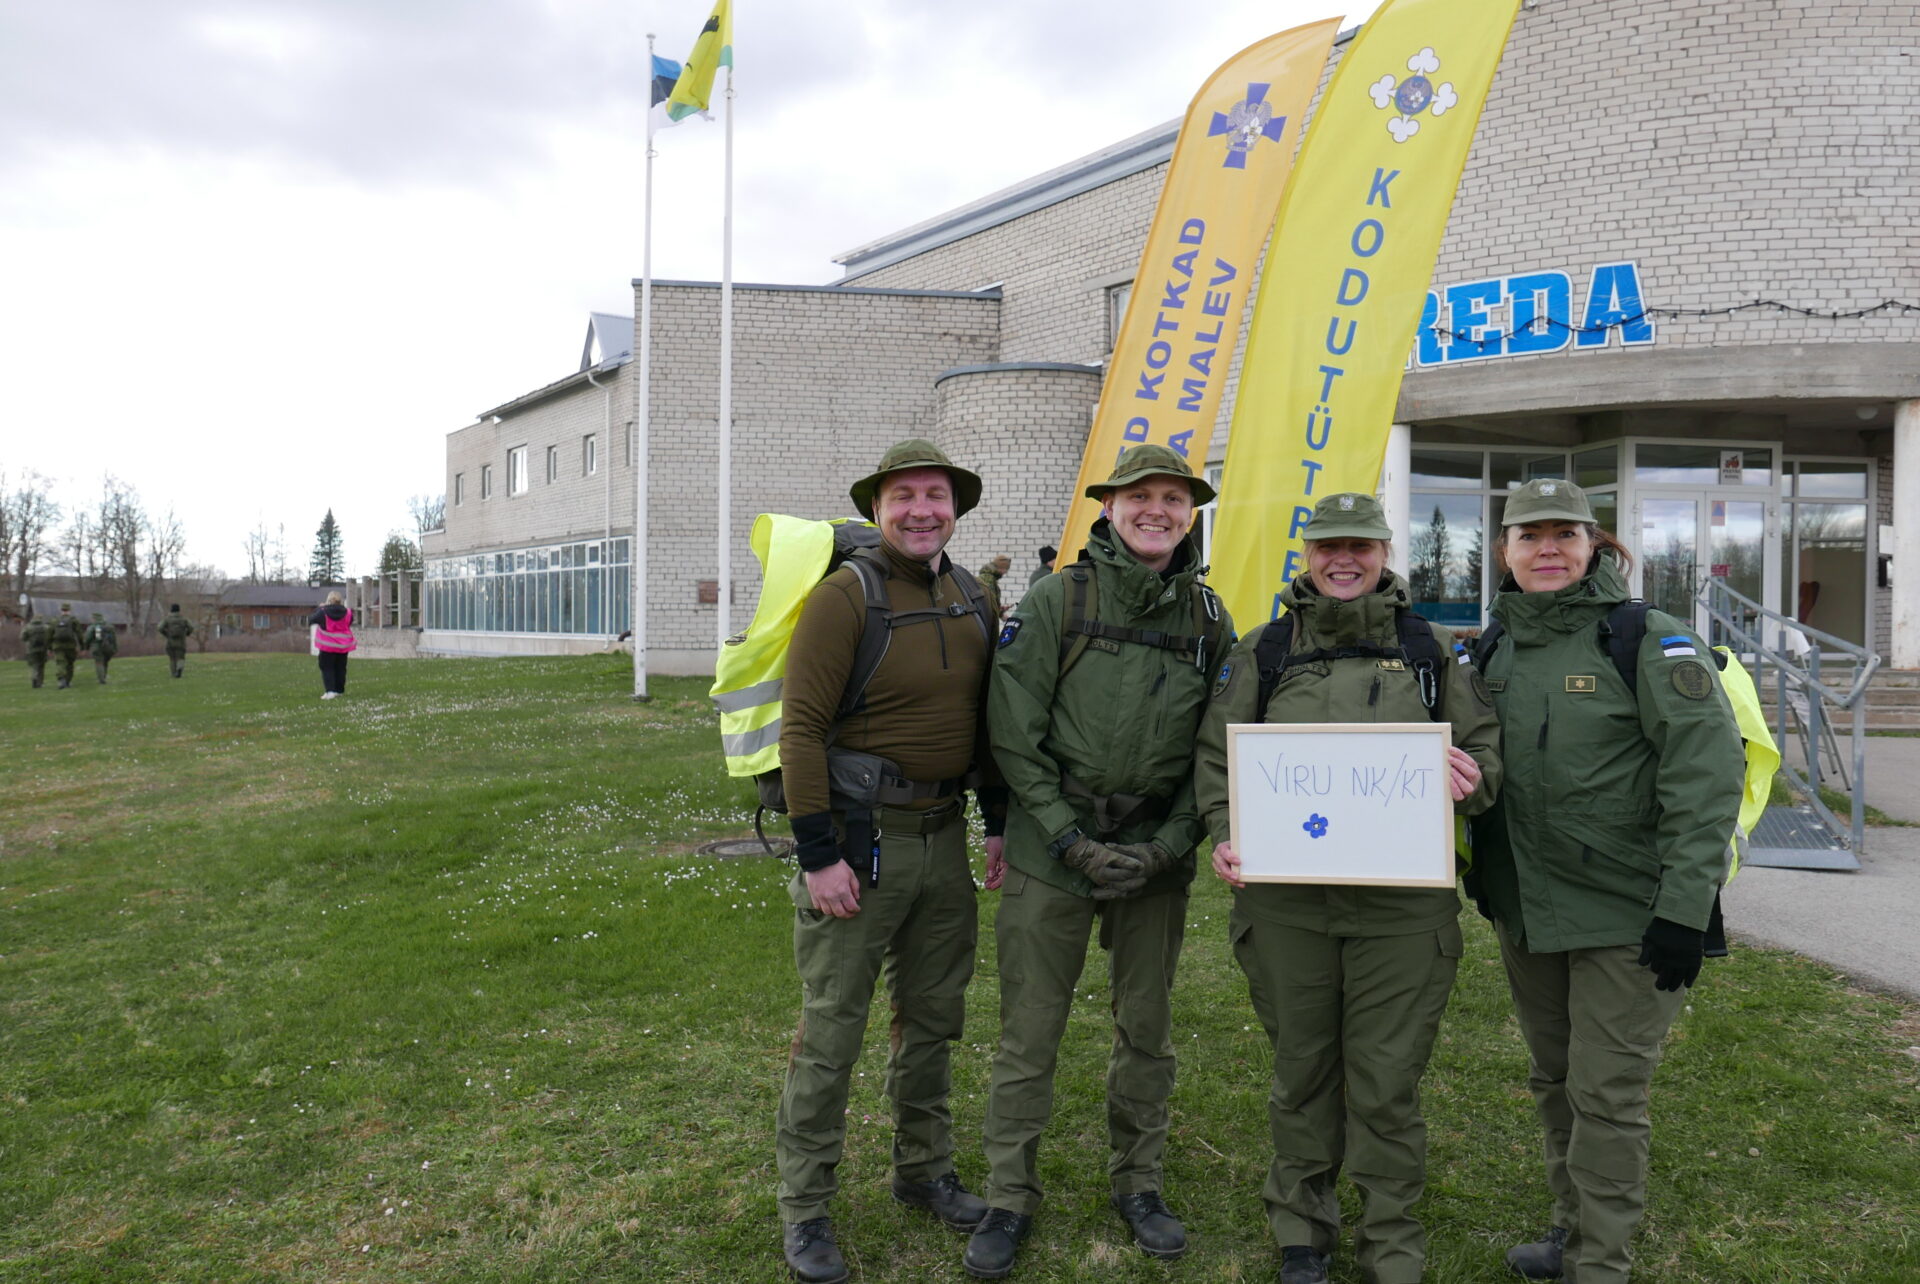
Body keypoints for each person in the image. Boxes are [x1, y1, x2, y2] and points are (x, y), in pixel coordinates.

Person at [1193, 492, 1503, 1284]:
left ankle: (1391, 1242)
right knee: (1302, 1071)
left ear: (1384, 552)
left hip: (1403, 911)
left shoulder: (1433, 651)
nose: (1343, 560)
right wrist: (1226, 829)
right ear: (1308, 554)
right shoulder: (1264, 650)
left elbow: (1485, 756)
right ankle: (1302, 1232)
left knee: (1386, 1082)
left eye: (1359, 546)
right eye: (1328, 546)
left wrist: (1472, 779)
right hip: (1286, 907)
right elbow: (1217, 761)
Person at [966, 443, 1233, 1279]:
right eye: (1140, 496)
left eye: (1174, 499)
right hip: (1053, 853)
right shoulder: (1058, 599)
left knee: (1146, 1030)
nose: (1158, 510)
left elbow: (1217, 751)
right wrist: (1066, 837)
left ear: (1190, 515)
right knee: (1030, 1031)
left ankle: (1139, 1184)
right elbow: (1012, 730)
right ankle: (1009, 1196)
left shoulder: (1210, 619)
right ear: (1110, 507)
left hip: (1155, 861)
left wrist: (1170, 844)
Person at [1468, 478, 1741, 1284]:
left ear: (1595, 544)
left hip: (1629, 915)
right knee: (1555, 1079)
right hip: (1528, 911)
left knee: (1608, 1094)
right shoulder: (1495, 644)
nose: (1547, 549)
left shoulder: (1647, 638)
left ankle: (1601, 1264)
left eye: (1565, 533)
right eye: (1530, 536)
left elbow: (1707, 777)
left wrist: (1685, 911)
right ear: (1506, 551)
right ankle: (1571, 1228)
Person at [775, 439, 1006, 1284]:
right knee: (832, 1032)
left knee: (933, 1020)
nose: (920, 510)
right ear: (878, 509)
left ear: (956, 507)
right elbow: (801, 730)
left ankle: (924, 1171)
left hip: (945, 838)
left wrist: (996, 825)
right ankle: (806, 1208)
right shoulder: (846, 595)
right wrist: (818, 856)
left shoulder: (974, 595)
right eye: (903, 496)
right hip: (858, 843)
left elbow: (989, 723)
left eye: (935, 495)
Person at [309, 591, 356, 698]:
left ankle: (330, 691)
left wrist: (320, 608)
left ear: (328, 600)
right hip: (342, 646)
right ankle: (339, 690)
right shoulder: (348, 612)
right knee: (341, 668)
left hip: (327, 646)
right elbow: (349, 622)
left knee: (327, 667)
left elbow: (311, 619)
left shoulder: (323, 612)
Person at [46, 603, 85, 689]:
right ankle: (68, 681)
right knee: (70, 663)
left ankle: (61, 679)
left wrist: (49, 648)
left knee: (60, 662)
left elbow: (49, 635)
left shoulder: (55, 620)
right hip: (70, 646)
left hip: (58, 646)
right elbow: (79, 634)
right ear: (69, 610)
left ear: (61, 610)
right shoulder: (73, 620)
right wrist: (82, 647)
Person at [158, 604, 194, 678]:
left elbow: (159, 627)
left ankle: (173, 674)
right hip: (181, 642)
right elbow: (191, 627)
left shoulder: (167, 619)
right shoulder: (183, 619)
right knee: (180, 658)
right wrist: (187, 633)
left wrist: (166, 634)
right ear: (179, 610)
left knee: (172, 659)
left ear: (171, 610)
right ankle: (179, 669)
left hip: (170, 642)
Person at [83, 613, 118, 684]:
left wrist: (85, 647)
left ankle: (101, 680)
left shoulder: (92, 627)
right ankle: (104, 676)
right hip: (108, 647)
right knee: (105, 662)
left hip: (96, 647)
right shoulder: (110, 626)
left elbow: (87, 638)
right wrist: (115, 648)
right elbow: (114, 639)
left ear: (94, 619)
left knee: (99, 663)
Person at [977, 554, 1013, 621]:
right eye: (1006, 569)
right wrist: (1001, 614)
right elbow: (988, 601)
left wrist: (1000, 609)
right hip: (986, 619)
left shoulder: (989, 577)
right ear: (1001, 567)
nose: (1006, 572)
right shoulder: (988, 578)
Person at [20, 613, 51, 688]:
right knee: (41, 666)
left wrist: (28, 640)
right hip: (43, 649)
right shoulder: (46, 627)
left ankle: (34, 677)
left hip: (32, 649)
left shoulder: (28, 627)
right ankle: (40, 683)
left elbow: (22, 637)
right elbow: (50, 637)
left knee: (35, 665)